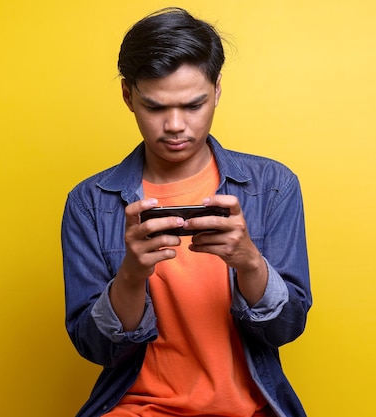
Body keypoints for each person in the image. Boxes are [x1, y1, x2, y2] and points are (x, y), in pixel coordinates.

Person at [61, 7, 312, 417]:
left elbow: (285, 329)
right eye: (156, 108)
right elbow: (96, 348)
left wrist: (249, 262)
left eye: (193, 105)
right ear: (128, 96)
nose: (175, 125)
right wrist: (130, 275)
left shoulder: (273, 187)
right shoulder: (90, 203)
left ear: (216, 90)